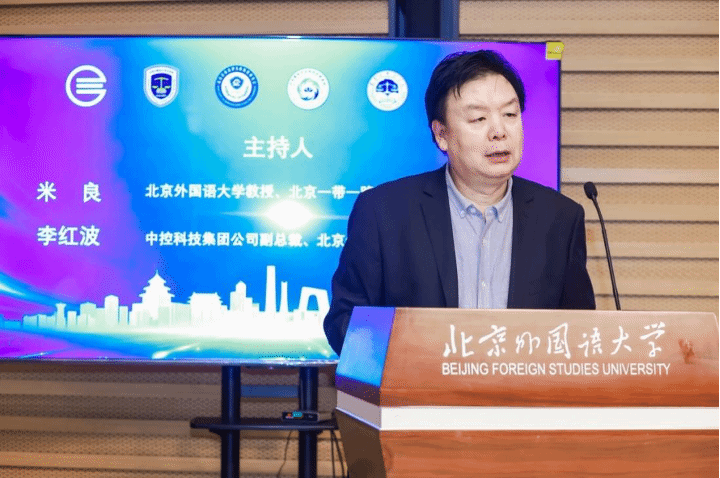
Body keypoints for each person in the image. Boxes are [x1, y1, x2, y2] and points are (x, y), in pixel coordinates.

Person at [323, 50, 595, 355]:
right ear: (441, 135)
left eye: (510, 114)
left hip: (523, 387)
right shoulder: (383, 213)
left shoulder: (560, 219)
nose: (499, 132)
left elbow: (580, 334)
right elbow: (344, 323)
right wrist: (413, 355)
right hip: (420, 385)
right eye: (478, 118)